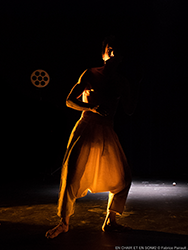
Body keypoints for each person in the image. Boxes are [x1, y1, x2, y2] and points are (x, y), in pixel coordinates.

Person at [45, 36, 140, 239]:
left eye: (117, 52)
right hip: (86, 127)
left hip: (106, 130)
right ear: (104, 53)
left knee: (123, 179)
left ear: (121, 57)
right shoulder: (91, 74)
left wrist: (134, 93)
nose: (112, 54)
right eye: (109, 50)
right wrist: (92, 107)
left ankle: (111, 221)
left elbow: (130, 110)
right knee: (72, 175)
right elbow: (70, 101)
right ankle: (64, 222)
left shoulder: (122, 82)